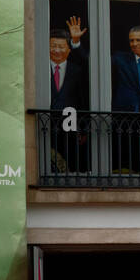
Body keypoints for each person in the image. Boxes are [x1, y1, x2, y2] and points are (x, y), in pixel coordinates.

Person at [47, 18, 90, 173]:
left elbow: (83, 100)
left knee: (70, 163)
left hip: (69, 126)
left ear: (68, 49)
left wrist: (84, 128)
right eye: (53, 46)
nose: (56, 50)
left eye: (60, 46)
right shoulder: (40, 67)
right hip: (45, 125)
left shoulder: (77, 70)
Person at [111, 25, 140, 174]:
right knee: (125, 146)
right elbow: (93, 62)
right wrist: (76, 43)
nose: (134, 44)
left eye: (138, 40)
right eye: (131, 40)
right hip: (124, 111)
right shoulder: (120, 58)